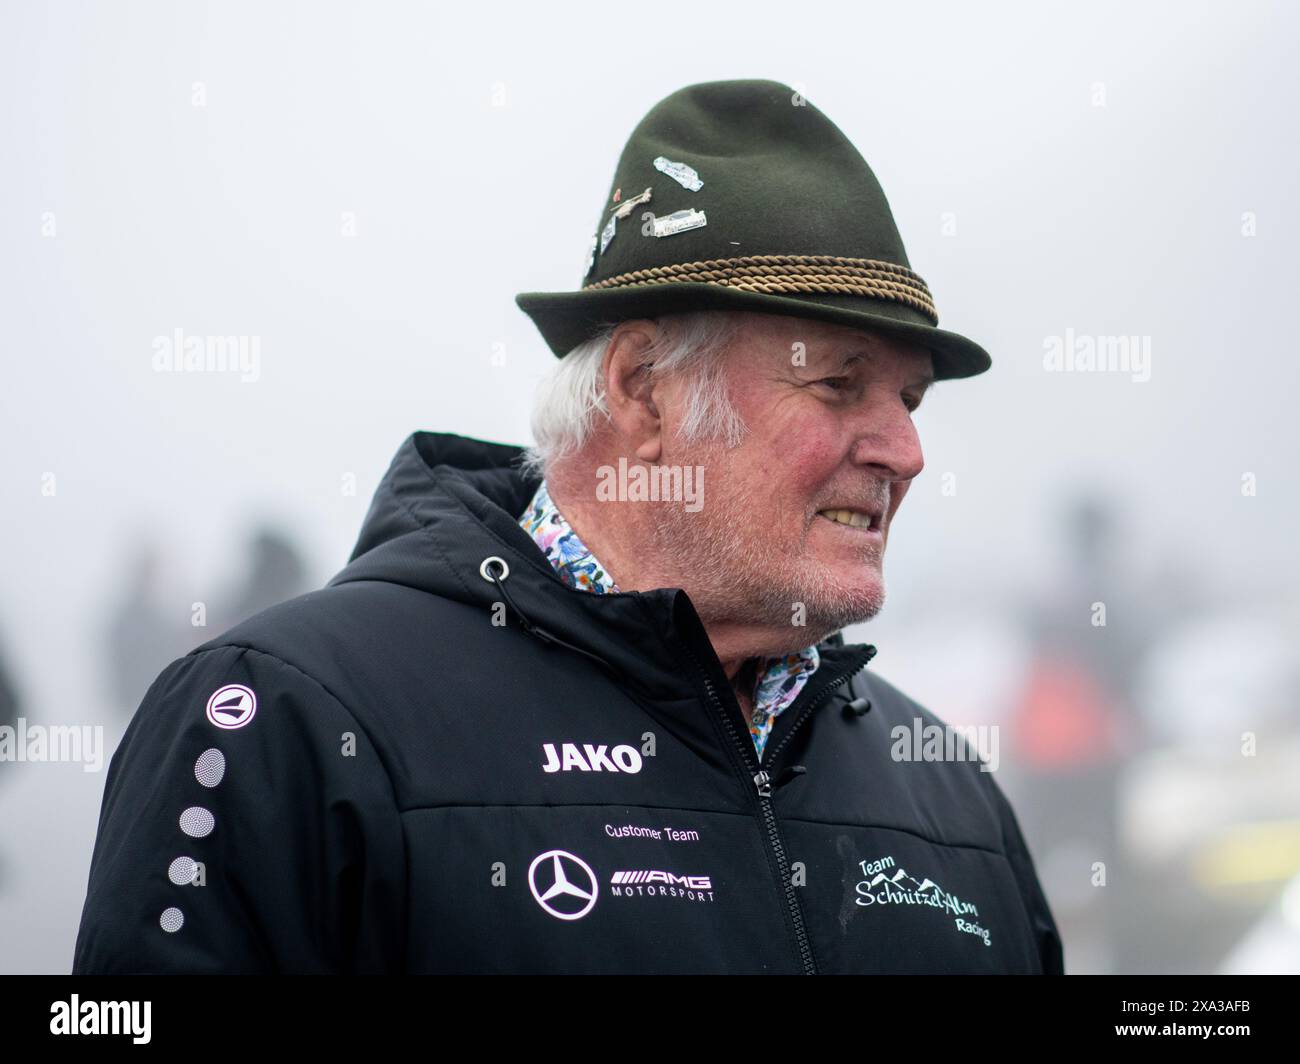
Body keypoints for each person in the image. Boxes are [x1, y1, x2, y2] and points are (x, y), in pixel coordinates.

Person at [72, 79, 1063, 974]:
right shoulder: (288, 716)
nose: (904, 450)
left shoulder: (948, 794)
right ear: (643, 393)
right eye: (838, 384)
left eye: (910, 400)